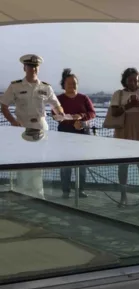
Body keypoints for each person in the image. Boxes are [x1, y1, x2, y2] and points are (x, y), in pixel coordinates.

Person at [0, 54, 66, 198]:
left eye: (35, 66)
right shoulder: (15, 86)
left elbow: (56, 105)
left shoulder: (46, 87)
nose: (33, 69)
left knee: (39, 161)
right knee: (21, 161)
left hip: (41, 127)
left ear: (38, 68)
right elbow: (4, 105)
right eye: (30, 66)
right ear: (24, 68)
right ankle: (22, 191)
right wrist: (12, 121)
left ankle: (38, 194)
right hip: (21, 128)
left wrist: (61, 114)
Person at [109, 68, 139, 206]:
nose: (133, 83)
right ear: (125, 80)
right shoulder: (118, 94)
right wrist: (127, 106)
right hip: (123, 131)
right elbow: (114, 113)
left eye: (135, 80)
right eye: (130, 80)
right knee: (123, 165)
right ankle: (123, 196)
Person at [57, 68, 96, 199]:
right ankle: (65, 190)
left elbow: (92, 113)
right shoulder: (59, 99)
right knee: (65, 164)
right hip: (64, 134)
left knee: (82, 164)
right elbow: (54, 115)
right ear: (64, 85)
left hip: (83, 134)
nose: (72, 86)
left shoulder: (84, 98)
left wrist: (81, 117)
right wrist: (70, 119)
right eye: (69, 83)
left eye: (74, 83)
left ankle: (80, 190)